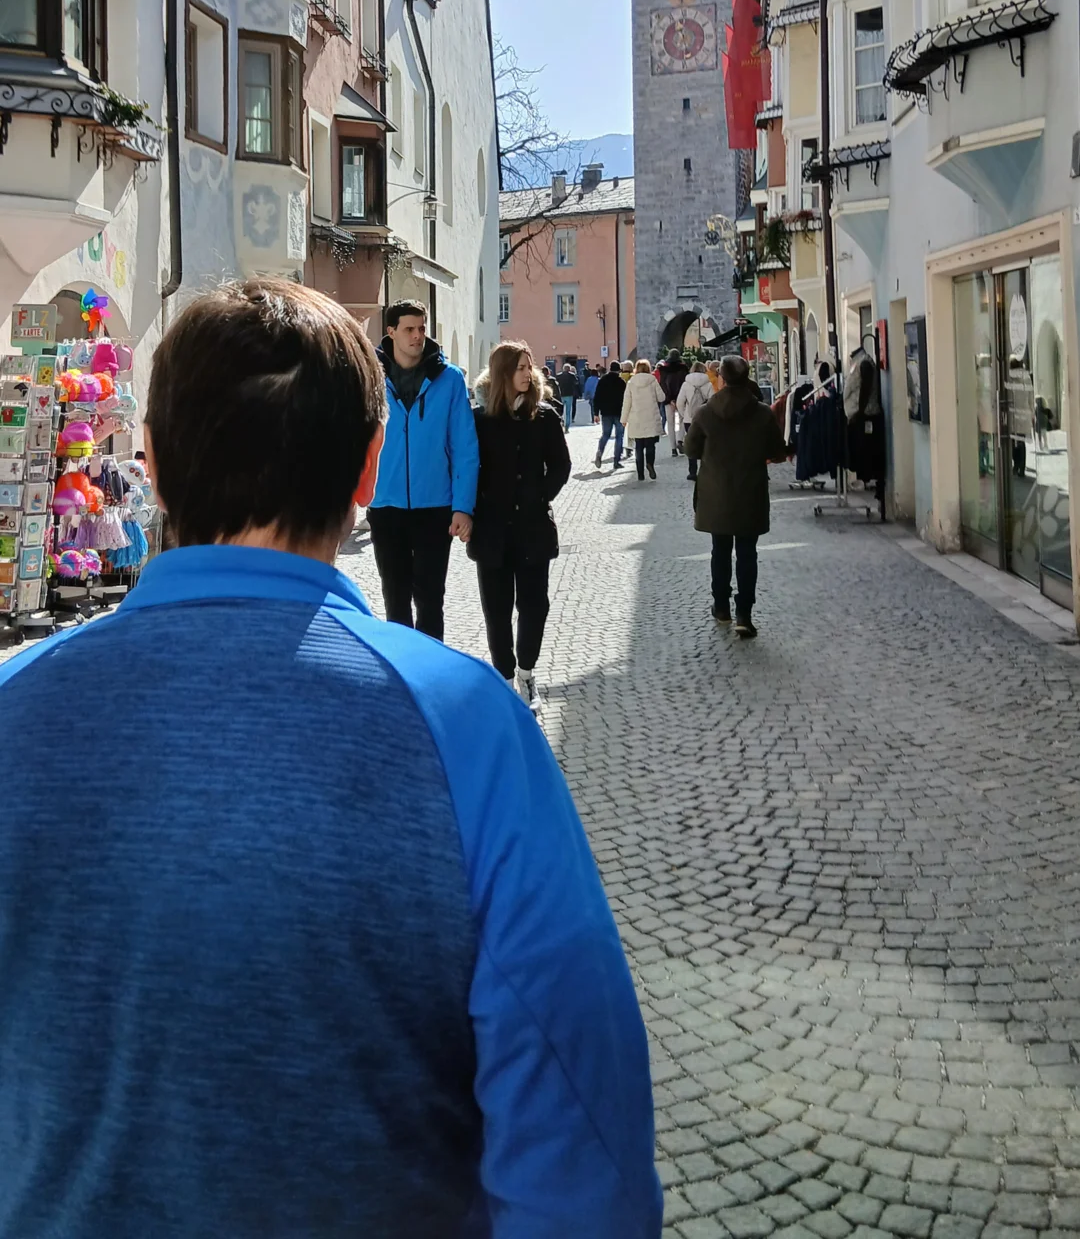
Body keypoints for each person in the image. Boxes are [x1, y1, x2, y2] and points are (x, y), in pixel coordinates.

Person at [0, 279, 661, 1238]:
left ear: (151, 464)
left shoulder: (15, 708)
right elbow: (581, 1157)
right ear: (368, 468)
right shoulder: (471, 730)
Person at [368, 299, 479, 641]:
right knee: (395, 601)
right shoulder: (370, 376)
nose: (417, 336)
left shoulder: (450, 379)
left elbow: (464, 447)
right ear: (391, 332)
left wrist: (463, 506)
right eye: (409, 329)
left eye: (421, 328)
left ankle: (432, 667)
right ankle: (403, 669)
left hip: (435, 507)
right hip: (385, 506)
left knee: (431, 601)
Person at [469, 341, 571, 712]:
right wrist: (474, 506)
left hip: (532, 527)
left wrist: (539, 495)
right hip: (492, 529)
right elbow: (467, 467)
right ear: (502, 374)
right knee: (496, 611)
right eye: (520, 368)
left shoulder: (544, 416)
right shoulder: (479, 420)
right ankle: (505, 678)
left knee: (534, 605)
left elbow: (561, 465)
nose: (528, 374)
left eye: (529, 367)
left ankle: (527, 673)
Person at [683, 352, 788, 638]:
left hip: (716, 492)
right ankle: (744, 613)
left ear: (722, 378)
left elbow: (690, 449)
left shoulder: (705, 412)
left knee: (719, 550)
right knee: (747, 553)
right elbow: (777, 451)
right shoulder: (762, 413)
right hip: (750, 490)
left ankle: (721, 606)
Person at [623, 358, 666, 481]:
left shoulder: (631, 382)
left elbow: (627, 402)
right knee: (650, 445)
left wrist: (624, 419)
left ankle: (640, 474)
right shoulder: (652, 380)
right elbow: (662, 397)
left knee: (639, 447)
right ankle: (650, 464)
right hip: (651, 417)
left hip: (636, 417)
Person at [676, 362, 712, 482]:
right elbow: (713, 401)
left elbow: (680, 402)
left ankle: (692, 471)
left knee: (691, 443)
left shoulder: (686, 384)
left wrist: (684, 414)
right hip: (705, 418)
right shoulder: (708, 384)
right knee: (705, 444)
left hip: (689, 419)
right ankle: (705, 470)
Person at [593, 360, 627, 470]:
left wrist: (596, 413)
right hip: (619, 413)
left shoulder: (603, 380)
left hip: (606, 412)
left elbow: (597, 397)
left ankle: (600, 451)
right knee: (619, 436)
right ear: (619, 370)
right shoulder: (621, 382)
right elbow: (626, 399)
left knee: (605, 435)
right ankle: (616, 461)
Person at [658, 350, 689, 456]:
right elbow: (685, 384)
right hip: (681, 398)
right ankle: (680, 440)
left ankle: (673, 449)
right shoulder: (683, 368)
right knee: (683, 420)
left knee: (670, 424)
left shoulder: (663, 370)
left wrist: (670, 399)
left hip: (668, 399)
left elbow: (663, 385)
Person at [557, 360, 580, 431]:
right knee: (568, 412)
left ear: (563, 368)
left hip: (561, 395)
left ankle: (561, 423)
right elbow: (576, 383)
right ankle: (567, 427)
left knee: (560, 411)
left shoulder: (558, 376)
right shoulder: (572, 375)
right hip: (569, 395)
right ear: (569, 369)